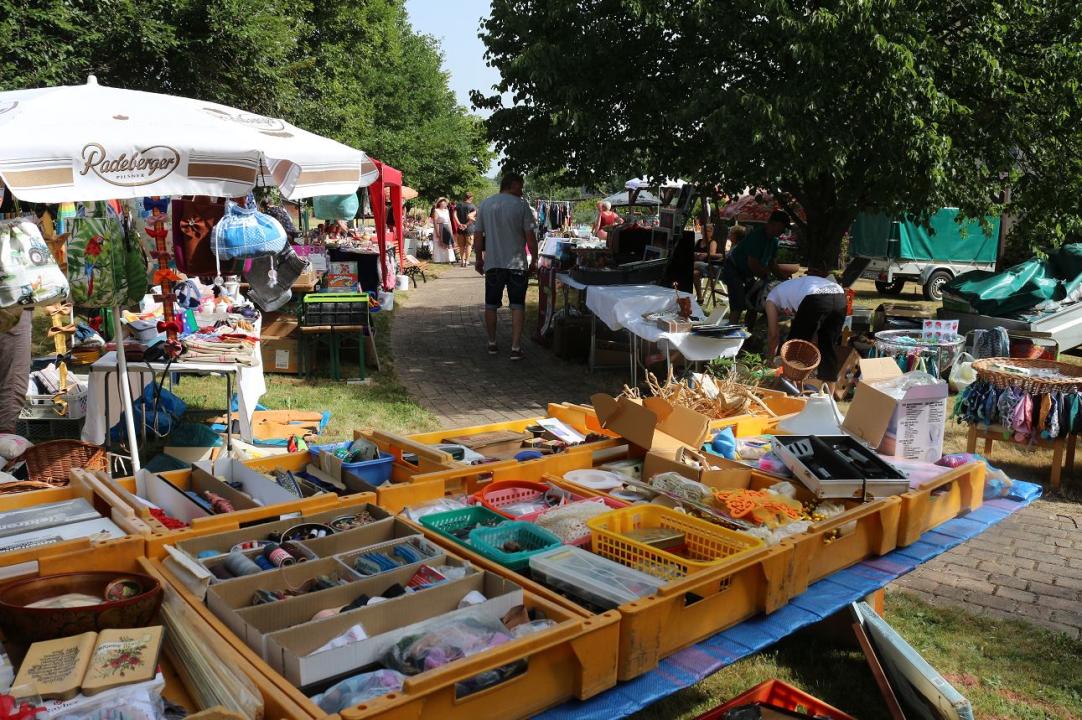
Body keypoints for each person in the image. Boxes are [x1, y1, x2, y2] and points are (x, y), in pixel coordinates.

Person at [473, 173, 538, 361]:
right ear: (511, 185)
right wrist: (534, 259)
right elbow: (530, 237)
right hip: (516, 264)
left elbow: (478, 236)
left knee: (491, 305)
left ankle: (492, 343)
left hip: (493, 263)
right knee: (518, 305)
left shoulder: (485, 204)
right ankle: (515, 347)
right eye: (520, 187)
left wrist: (479, 258)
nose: (522, 190)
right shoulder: (521, 205)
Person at [764, 266, 846, 390]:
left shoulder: (770, 298)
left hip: (815, 297)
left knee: (794, 348)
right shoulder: (791, 288)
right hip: (839, 296)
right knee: (828, 347)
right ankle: (829, 398)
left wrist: (770, 361)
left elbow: (773, 335)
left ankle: (796, 393)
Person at [722, 210, 794, 326]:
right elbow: (753, 264)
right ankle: (731, 332)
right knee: (738, 303)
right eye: (782, 227)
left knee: (754, 302)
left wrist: (784, 279)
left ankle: (749, 334)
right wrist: (767, 277)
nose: (783, 231)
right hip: (733, 269)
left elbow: (772, 264)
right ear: (773, 224)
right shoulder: (757, 236)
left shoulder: (774, 241)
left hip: (747, 272)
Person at [694, 224, 746, 303]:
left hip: (724, 271)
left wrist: (709, 256)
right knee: (695, 269)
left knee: (695, 264)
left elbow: (725, 258)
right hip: (722, 268)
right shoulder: (736, 247)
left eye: (730, 233)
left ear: (735, 235)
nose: (728, 235)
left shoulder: (736, 248)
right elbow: (725, 257)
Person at [454, 192, 477, 268]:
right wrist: (466, 225)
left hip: (460, 228)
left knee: (461, 246)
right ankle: (466, 261)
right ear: (471, 198)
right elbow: (472, 218)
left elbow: (454, 215)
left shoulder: (458, 205)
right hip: (469, 228)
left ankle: (462, 261)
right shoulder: (472, 206)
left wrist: (459, 224)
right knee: (469, 245)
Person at [430, 197, 455, 264]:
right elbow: (435, 221)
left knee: (448, 242)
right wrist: (437, 232)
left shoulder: (447, 211)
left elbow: (449, 221)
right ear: (439, 203)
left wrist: (451, 231)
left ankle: (448, 259)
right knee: (438, 243)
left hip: (446, 227)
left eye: (445, 203)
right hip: (439, 227)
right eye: (442, 202)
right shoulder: (436, 210)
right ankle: (438, 259)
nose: (444, 204)